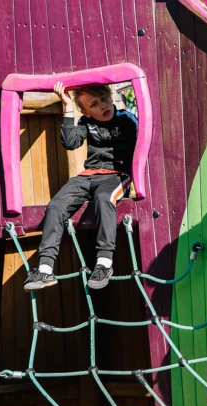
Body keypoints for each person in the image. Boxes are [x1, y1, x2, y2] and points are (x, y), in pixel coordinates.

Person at [24, 82, 138, 292]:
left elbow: (144, 139)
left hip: (116, 175)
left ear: (109, 96)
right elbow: (70, 142)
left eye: (104, 99)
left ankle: (104, 263)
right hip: (87, 176)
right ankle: (45, 268)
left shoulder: (126, 119)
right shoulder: (86, 122)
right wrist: (67, 106)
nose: (102, 106)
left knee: (104, 198)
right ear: (85, 111)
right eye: (94, 104)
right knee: (56, 205)